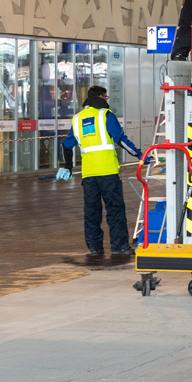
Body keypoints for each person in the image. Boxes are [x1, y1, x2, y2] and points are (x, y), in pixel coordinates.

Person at [58, 86, 149, 255]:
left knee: (91, 212)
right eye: (106, 97)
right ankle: (119, 246)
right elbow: (120, 139)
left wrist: (68, 167)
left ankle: (94, 247)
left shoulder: (77, 118)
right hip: (108, 172)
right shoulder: (106, 115)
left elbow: (66, 145)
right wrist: (140, 155)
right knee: (115, 210)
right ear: (100, 96)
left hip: (89, 174)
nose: (107, 100)